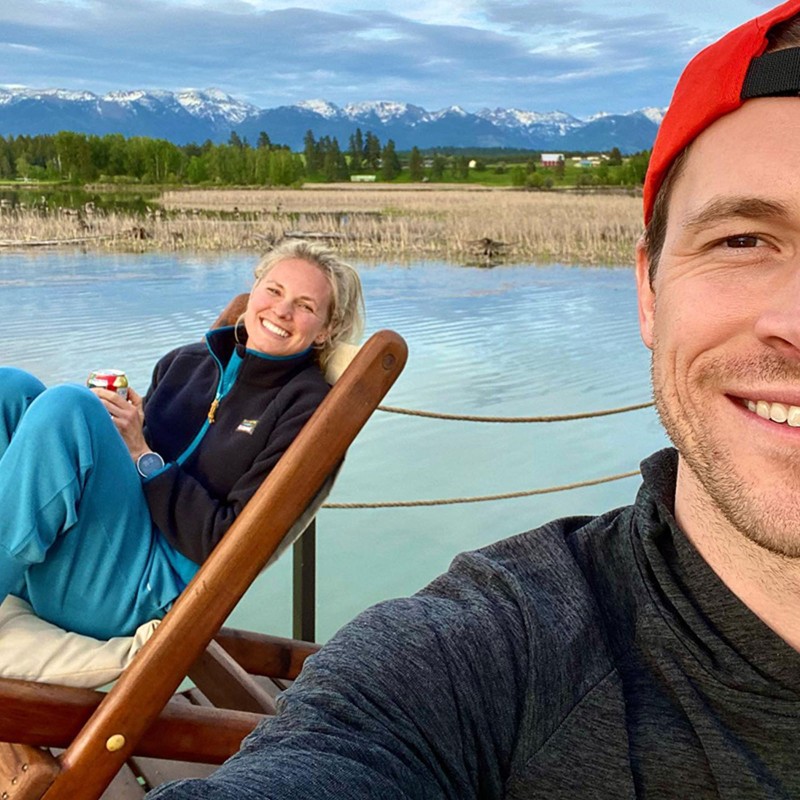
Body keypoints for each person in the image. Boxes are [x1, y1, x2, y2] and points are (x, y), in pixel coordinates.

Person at [148, 3, 800, 797]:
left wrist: (135, 457)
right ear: (649, 291)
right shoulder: (482, 664)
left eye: (303, 304)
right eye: (742, 240)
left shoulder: (292, 399)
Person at [0, 239, 364, 640]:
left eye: (305, 306)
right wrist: (122, 432)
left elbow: (226, 542)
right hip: (101, 548)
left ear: (325, 331)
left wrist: (142, 455)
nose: (282, 310)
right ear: (254, 290)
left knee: (69, 405)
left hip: (138, 589)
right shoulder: (186, 363)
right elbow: (134, 471)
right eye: (274, 290)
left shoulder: (305, 408)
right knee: (10, 388)